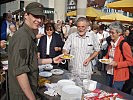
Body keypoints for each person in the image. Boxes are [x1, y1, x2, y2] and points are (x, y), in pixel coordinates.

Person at [8, 2, 63, 100]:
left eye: (41, 17)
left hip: (27, 90)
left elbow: (31, 61)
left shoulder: (28, 35)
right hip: (22, 94)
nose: (39, 20)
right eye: (35, 16)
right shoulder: (23, 37)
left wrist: (53, 60)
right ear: (26, 15)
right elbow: (21, 72)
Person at [104, 21, 133, 91]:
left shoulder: (124, 45)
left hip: (119, 76)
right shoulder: (111, 43)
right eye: (110, 32)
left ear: (119, 33)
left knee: (115, 95)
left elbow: (130, 62)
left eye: (112, 33)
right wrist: (105, 58)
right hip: (109, 72)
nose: (110, 34)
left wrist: (117, 64)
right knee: (108, 93)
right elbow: (108, 55)